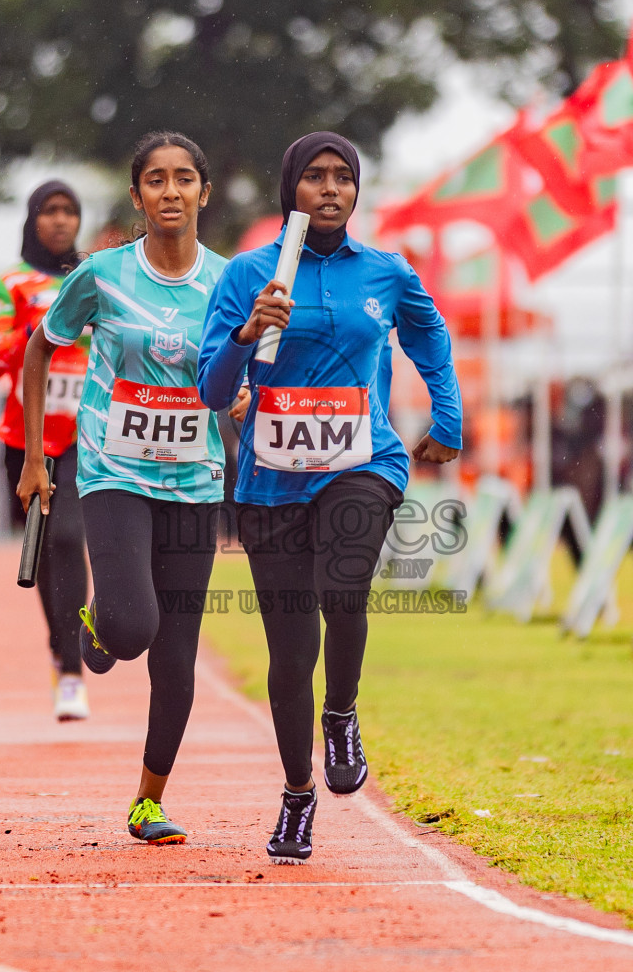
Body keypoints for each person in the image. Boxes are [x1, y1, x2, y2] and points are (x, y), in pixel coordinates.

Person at [198, 131, 462, 865]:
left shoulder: (385, 272)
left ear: (356, 191)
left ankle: (340, 712)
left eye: (342, 178)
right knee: (288, 651)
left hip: (363, 461)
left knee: (343, 587)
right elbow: (212, 390)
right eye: (314, 177)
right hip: (269, 481)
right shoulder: (249, 273)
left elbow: (429, 335)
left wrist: (447, 418)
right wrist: (249, 332)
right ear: (292, 190)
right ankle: (296, 797)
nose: (329, 189)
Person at [17, 131, 227, 847]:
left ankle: (148, 800)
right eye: (157, 181)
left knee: (177, 654)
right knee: (134, 628)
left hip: (195, 482)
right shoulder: (102, 274)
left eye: (184, 179)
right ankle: (94, 627)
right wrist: (37, 456)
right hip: (114, 471)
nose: (171, 192)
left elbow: (238, 385)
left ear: (205, 192)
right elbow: (40, 348)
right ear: (137, 196)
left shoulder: (230, 283)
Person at [0, 180, 92, 722]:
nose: (60, 221)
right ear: (32, 219)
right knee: (44, 551)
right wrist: (28, 331)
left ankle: (71, 671)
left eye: (69, 211)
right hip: (25, 440)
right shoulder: (12, 284)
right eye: (49, 211)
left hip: (84, 436)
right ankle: (59, 644)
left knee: (70, 537)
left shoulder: (94, 278)